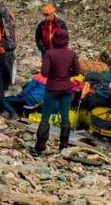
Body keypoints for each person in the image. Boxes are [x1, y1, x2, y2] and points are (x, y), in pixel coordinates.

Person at [33, 28, 80, 156]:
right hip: (66, 87)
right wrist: (65, 74)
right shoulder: (72, 54)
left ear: (54, 39)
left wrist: (55, 74)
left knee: (45, 117)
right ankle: (63, 146)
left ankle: (40, 147)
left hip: (52, 87)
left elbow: (44, 72)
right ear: (67, 40)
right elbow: (77, 71)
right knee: (65, 117)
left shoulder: (49, 53)